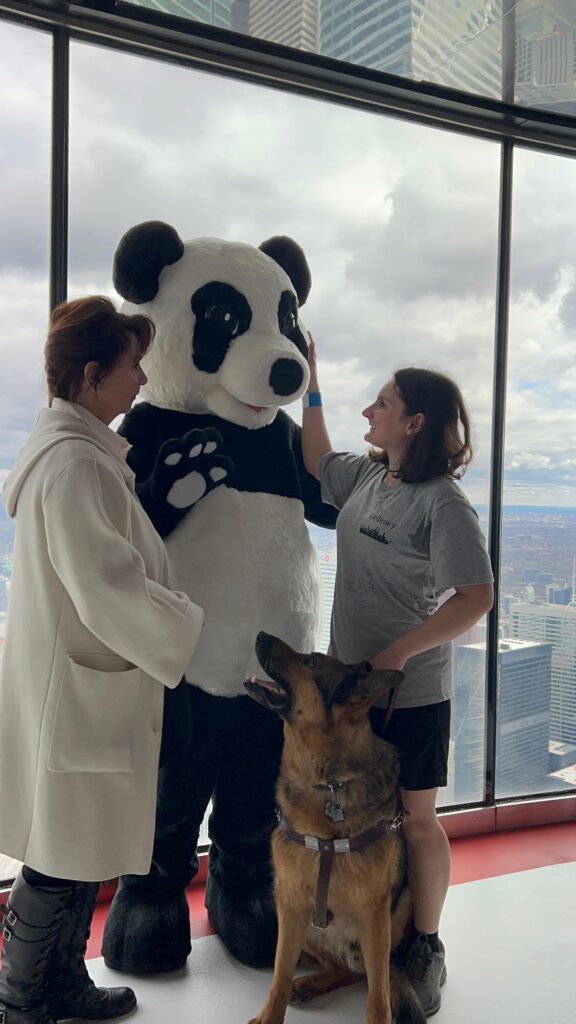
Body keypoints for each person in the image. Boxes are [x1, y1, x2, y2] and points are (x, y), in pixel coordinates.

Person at [0, 296, 205, 1024]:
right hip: (79, 689)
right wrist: (186, 622)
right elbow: (106, 589)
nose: (142, 381)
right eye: (131, 367)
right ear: (92, 376)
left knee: (76, 843)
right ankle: (22, 1000)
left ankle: (58, 984)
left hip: (80, 681)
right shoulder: (77, 466)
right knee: (59, 855)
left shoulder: (76, 454)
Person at [301, 338, 493, 1017]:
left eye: (382, 403)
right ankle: (354, 933)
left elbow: (475, 596)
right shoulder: (368, 476)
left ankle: (425, 946)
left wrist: (401, 653)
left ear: (414, 423)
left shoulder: (443, 503)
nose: (369, 410)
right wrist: (313, 381)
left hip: (409, 693)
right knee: (351, 815)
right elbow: (317, 459)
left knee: (415, 820)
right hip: (351, 690)